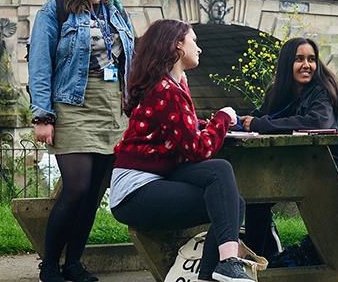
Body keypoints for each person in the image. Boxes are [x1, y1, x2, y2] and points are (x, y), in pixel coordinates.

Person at [109, 19, 254, 282]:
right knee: (225, 198)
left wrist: (209, 124)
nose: (199, 48)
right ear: (177, 44)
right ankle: (227, 263)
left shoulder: (174, 84)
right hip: (134, 192)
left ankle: (216, 271)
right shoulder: (166, 90)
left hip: (159, 176)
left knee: (230, 197)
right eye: (194, 41)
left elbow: (182, 126)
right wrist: (222, 118)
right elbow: (198, 149)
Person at [28, 0, 135, 282]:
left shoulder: (117, 11)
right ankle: (49, 266)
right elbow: (40, 65)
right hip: (73, 104)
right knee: (76, 188)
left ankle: (73, 263)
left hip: (113, 107)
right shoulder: (55, 9)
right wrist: (43, 116)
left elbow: (129, 62)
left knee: (92, 194)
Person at [237, 37, 338, 260]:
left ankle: (262, 255)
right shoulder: (279, 91)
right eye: (299, 59)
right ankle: (258, 257)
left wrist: (261, 125)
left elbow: (318, 123)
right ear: (288, 62)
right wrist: (233, 121)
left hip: (325, 168)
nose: (306, 65)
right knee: (254, 194)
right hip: (292, 166)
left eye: (311, 59)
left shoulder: (322, 91)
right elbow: (260, 116)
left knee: (259, 192)